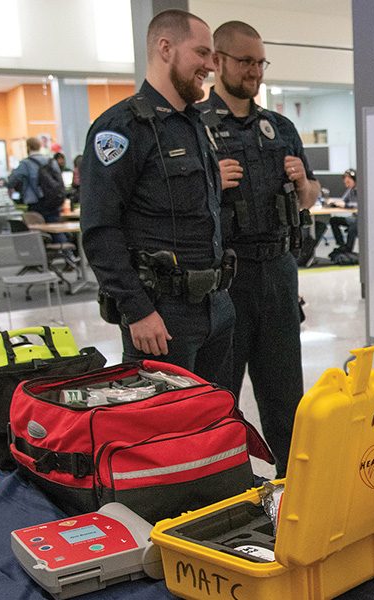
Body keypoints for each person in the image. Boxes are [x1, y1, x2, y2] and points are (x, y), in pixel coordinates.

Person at [80, 9, 235, 387]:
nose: (209, 66)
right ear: (166, 48)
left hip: (216, 308)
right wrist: (137, 311)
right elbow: (100, 230)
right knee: (162, 437)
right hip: (162, 318)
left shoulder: (196, 126)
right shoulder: (121, 128)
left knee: (213, 425)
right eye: (200, 53)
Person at [199, 20, 319, 476]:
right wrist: (213, 183)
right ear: (218, 61)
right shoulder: (197, 127)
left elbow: (308, 199)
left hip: (278, 270)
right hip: (226, 278)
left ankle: (294, 487)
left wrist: (302, 181)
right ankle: (221, 486)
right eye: (245, 61)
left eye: (259, 62)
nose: (254, 71)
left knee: (286, 393)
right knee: (221, 394)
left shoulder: (280, 126)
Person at [327, 168, 358, 259]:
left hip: (361, 219)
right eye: (345, 183)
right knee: (333, 220)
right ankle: (341, 244)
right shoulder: (350, 190)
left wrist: (346, 205)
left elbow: (361, 204)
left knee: (354, 224)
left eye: (348, 182)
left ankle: (348, 249)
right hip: (354, 217)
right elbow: (343, 201)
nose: (347, 185)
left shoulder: (362, 189)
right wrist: (334, 201)